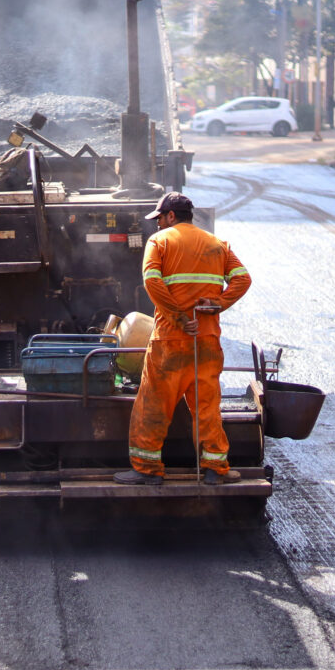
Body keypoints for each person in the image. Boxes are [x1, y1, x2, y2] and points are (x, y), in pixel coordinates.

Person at [115, 192, 252, 486]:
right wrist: (218, 304)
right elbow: (243, 279)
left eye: (160, 219)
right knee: (207, 406)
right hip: (207, 341)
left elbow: (151, 280)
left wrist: (178, 317)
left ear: (171, 216)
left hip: (170, 341)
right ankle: (215, 469)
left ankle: (147, 470)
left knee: (154, 403)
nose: (157, 225)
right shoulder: (218, 244)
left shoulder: (160, 242)